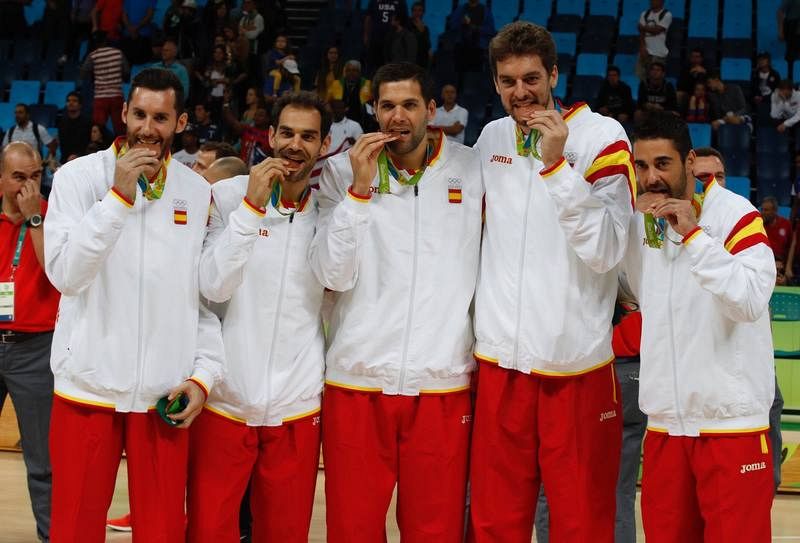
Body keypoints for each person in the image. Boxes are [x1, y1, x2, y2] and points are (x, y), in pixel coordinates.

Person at [468, 21, 634, 542]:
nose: (521, 92)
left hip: (575, 367)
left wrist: (557, 166)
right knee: (495, 520)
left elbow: (608, 250)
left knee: (580, 522)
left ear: (555, 75)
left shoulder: (603, 137)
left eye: (532, 78)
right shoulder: (491, 137)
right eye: (508, 81)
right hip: (500, 363)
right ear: (496, 84)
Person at [43, 68, 225, 542]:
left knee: (163, 531)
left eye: (160, 117)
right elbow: (66, 274)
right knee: (74, 528)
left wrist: (203, 375)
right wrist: (118, 199)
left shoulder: (196, 192)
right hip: (87, 387)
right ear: (123, 113)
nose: (147, 127)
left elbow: (200, 299)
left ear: (180, 122)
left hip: (162, 394)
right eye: (139, 114)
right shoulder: (77, 179)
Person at [310, 62, 482, 543]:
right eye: (387, 106)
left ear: (431, 109)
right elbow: (331, 273)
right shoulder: (342, 173)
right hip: (357, 381)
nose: (397, 117)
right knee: (353, 529)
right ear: (374, 111)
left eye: (409, 105)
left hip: (441, 386)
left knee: (435, 531)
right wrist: (360, 193)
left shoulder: (472, 170)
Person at [624, 111, 775, 542]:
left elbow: (748, 300)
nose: (651, 178)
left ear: (689, 162)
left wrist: (694, 236)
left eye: (663, 164)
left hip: (730, 428)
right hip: (667, 427)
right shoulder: (642, 224)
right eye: (642, 166)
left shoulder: (736, 217)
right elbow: (638, 295)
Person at [189, 90, 331, 543]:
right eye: (286, 132)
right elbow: (212, 285)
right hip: (226, 399)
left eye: (308, 136)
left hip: (296, 403)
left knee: (284, 533)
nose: (295, 144)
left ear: (324, 146)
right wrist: (251, 210)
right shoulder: (227, 197)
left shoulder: (331, 209)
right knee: (210, 530)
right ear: (269, 136)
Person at [0, 142, 60, 543]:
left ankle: (52, 536)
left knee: (42, 461)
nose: (28, 185)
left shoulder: (54, 216)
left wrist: (35, 219)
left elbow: (58, 274)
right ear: (2, 178)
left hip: (36, 348)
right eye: (19, 177)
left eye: (35, 176)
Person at [82, 30, 129, 136]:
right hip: (116, 95)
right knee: (120, 127)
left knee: (98, 128)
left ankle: (101, 149)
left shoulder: (93, 55)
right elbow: (126, 72)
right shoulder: (118, 53)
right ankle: (122, 150)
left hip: (100, 97)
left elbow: (84, 72)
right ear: (106, 41)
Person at [327, 60, 373, 128]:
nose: (351, 73)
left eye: (354, 70)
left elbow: (372, 104)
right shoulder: (336, 84)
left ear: (359, 72)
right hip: (340, 121)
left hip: (362, 121)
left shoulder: (368, 84)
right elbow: (328, 102)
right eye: (348, 70)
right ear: (345, 72)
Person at [637, 0, 671, 80]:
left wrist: (643, 27)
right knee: (640, 77)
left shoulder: (666, 15)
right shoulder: (644, 14)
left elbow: (657, 30)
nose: (652, 2)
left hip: (658, 52)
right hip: (645, 51)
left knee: (656, 78)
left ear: (661, 1)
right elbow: (641, 32)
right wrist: (642, 47)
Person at [57, 92, 93, 163]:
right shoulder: (62, 122)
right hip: (65, 160)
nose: (71, 103)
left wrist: (78, 155)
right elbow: (62, 144)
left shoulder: (87, 122)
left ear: (80, 105)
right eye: (68, 101)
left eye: (74, 101)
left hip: (83, 159)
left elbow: (88, 143)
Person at [409, 2, 432, 70]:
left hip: (420, 62)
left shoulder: (425, 28)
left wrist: (422, 32)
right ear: (412, 12)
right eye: (415, 10)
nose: (417, 13)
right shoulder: (406, 25)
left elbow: (427, 46)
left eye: (419, 10)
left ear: (423, 13)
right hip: (407, 61)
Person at [778, 0, 800, 70]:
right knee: (792, 56)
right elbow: (780, 12)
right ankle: (790, 77)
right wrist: (780, 31)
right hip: (793, 28)